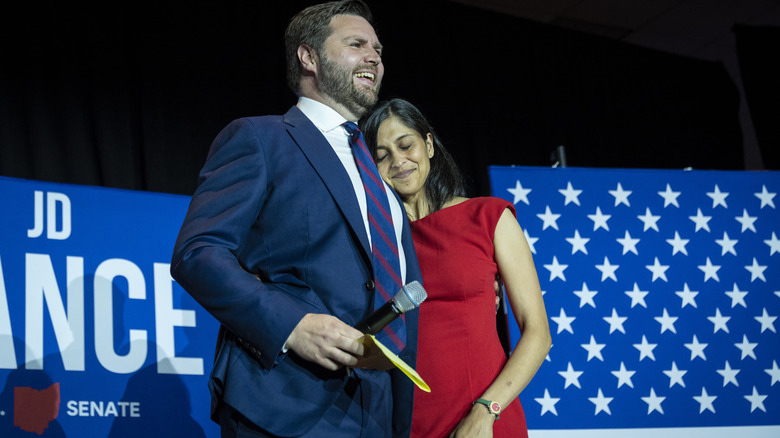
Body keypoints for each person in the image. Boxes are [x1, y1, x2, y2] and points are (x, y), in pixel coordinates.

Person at [170, 2, 423, 437]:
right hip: (284, 403)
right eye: (357, 44)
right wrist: (293, 325)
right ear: (309, 57)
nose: (374, 58)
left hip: (378, 413)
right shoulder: (260, 138)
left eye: (378, 49)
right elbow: (198, 253)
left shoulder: (381, 179)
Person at [361, 99, 552, 438]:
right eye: (382, 155)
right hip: (402, 423)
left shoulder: (488, 217)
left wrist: (487, 410)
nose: (398, 161)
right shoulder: (376, 244)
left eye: (406, 145)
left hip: (484, 419)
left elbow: (538, 332)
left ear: (429, 145)